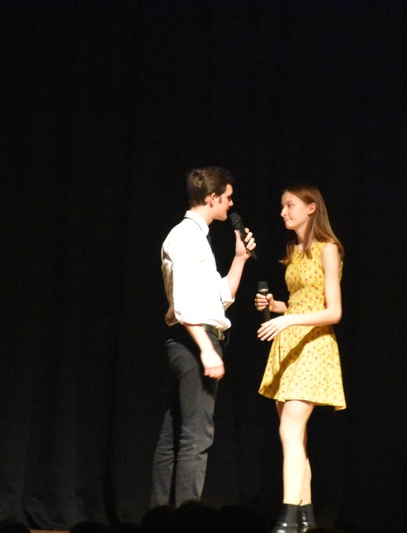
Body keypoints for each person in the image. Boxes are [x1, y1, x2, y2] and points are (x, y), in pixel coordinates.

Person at [151, 166, 256, 508]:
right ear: (212, 198)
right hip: (193, 341)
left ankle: (162, 514)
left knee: (176, 431)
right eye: (227, 198)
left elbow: (220, 298)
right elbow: (184, 304)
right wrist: (206, 350)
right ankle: (184, 517)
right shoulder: (186, 237)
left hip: (193, 339)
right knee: (197, 435)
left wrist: (240, 259)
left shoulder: (198, 238)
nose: (231, 204)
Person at [254, 184, 346, 533]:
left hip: (313, 345)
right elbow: (300, 300)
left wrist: (289, 319)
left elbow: (333, 311)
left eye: (290, 205)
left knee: (289, 429)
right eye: (282, 206)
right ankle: (306, 518)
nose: (283, 212)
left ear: (311, 208)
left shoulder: (328, 249)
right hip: (290, 344)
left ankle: (288, 517)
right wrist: (277, 306)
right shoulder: (294, 251)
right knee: (296, 436)